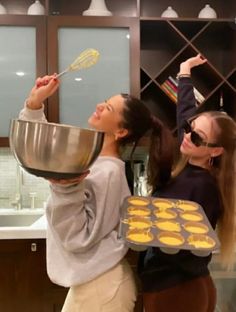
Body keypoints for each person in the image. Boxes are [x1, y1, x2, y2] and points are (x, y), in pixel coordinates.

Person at [19, 74, 174, 312]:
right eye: (104, 101)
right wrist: (34, 103)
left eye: (109, 107)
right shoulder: (91, 161)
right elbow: (42, 146)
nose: (99, 105)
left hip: (103, 286)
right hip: (97, 280)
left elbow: (79, 238)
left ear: (121, 131)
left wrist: (66, 188)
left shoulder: (107, 172)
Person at [138, 54, 236, 312]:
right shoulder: (194, 155)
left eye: (196, 136)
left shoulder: (204, 188)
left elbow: (184, 250)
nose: (187, 136)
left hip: (178, 291)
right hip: (172, 286)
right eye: (189, 128)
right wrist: (184, 72)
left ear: (215, 152)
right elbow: (186, 113)